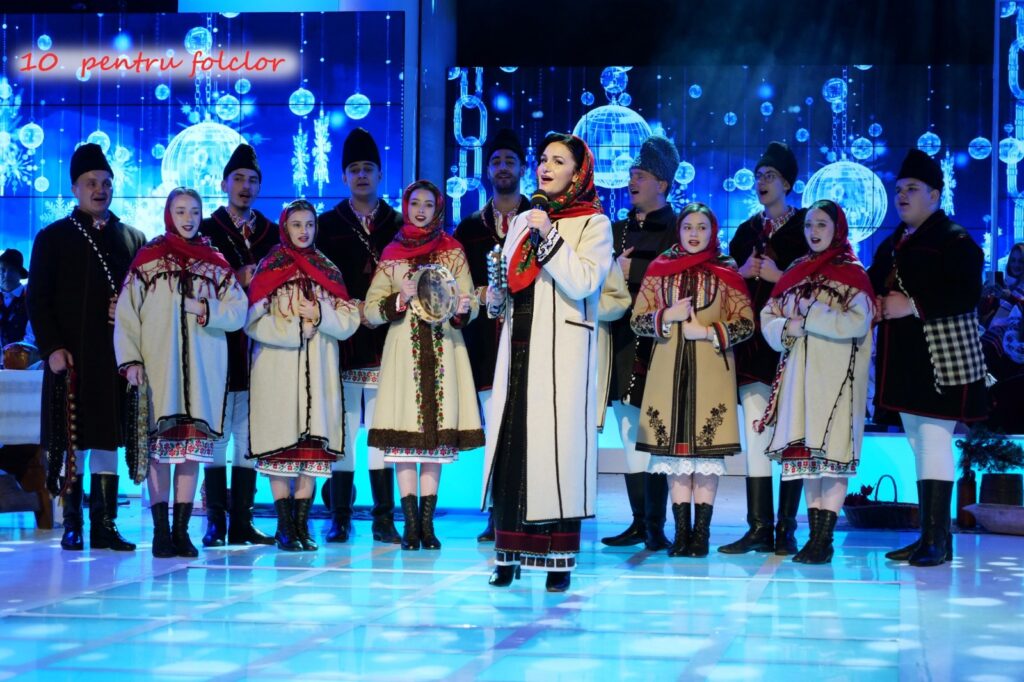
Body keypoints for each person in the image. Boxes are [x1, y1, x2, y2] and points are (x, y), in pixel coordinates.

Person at [482, 133, 612, 593]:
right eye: (542, 159)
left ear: (578, 173)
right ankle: (507, 555)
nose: (545, 167)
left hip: (562, 354)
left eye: (558, 161)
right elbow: (512, 284)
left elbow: (583, 281)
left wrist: (549, 235)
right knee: (514, 448)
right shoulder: (523, 219)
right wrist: (495, 295)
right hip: (520, 345)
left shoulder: (594, 222)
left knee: (555, 455)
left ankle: (558, 560)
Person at [868, 149, 988, 568]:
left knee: (934, 440)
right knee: (918, 443)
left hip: (941, 360)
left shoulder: (954, 239)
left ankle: (936, 539)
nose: (902, 196)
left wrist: (912, 305)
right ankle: (930, 538)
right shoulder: (895, 242)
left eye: (913, 189)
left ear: (935, 195)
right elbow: (873, 281)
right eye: (899, 189)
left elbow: (966, 293)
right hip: (905, 362)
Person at [114, 188, 248, 558]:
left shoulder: (215, 263)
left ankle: (181, 531)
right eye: (180, 211)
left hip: (204, 374)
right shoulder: (149, 260)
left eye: (194, 211)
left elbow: (239, 312)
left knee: (192, 453)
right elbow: (127, 314)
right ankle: (161, 532)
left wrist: (204, 308)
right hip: (159, 370)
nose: (188, 218)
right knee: (159, 452)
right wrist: (131, 361)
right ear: (168, 214)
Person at [27, 142, 146, 552]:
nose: (100, 189)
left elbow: (145, 299)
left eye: (106, 182)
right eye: (91, 182)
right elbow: (37, 299)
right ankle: (72, 523)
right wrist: (52, 348)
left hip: (114, 359)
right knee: (72, 441)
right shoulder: (52, 237)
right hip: (71, 359)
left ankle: (106, 525)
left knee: (108, 440)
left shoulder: (133, 238)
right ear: (75, 188)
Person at [365, 180, 484, 550]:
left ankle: (427, 526)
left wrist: (464, 307)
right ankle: (410, 525)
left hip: (444, 347)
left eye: (428, 204)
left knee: (434, 446)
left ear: (438, 209)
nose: (420, 210)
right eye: (414, 203)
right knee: (404, 439)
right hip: (404, 351)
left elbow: (468, 300)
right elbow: (370, 310)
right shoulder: (392, 253)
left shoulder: (453, 251)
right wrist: (398, 300)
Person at [630, 202, 753, 558]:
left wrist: (709, 332)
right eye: (688, 227)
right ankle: (681, 534)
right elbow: (637, 320)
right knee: (676, 457)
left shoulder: (726, 270)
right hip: (667, 374)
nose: (694, 234)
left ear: (713, 231)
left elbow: (746, 322)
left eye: (702, 227)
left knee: (705, 456)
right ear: (679, 231)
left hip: (712, 373)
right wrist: (666, 315)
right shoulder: (660, 269)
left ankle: (701, 536)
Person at [756, 200, 874, 564]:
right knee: (808, 458)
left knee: (833, 455)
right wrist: (786, 328)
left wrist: (812, 316)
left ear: (837, 228)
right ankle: (815, 537)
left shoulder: (853, 273)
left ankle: (824, 538)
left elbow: (858, 321)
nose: (814, 231)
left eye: (822, 224)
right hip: (800, 378)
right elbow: (769, 314)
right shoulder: (797, 270)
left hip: (838, 379)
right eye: (809, 225)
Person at [246, 200, 362, 551]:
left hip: (319, 373)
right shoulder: (270, 267)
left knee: (311, 454)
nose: (303, 231)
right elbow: (251, 321)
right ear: (285, 227)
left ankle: (301, 525)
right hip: (277, 372)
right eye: (296, 224)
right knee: (281, 450)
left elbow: (349, 322)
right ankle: (284, 527)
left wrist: (319, 313)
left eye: (309, 224)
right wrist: (295, 330)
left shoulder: (327, 269)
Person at [720, 141, 809, 556]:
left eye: (770, 176)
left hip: (792, 346)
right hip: (752, 348)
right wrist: (742, 271)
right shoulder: (745, 232)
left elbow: (820, 282)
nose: (761, 182)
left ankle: (786, 529)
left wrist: (779, 275)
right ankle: (758, 526)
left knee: (790, 433)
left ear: (787, 183)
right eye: (758, 176)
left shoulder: (807, 228)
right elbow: (725, 285)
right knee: (756, 434)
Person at [317, 128, 404, 544]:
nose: (362, 175)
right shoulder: (326, 225)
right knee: (344, 428)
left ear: (381, 174)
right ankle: (340, 515)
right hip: (345, 343)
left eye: (369, 168)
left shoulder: (399, 224)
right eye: (354, 169)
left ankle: (384, 518)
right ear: (344, 177)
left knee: (382, 431)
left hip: (390, 341)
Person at [197, 143, 280, 547]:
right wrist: (236, 277)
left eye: (252, 180)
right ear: (224, 183)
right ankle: (216, 520)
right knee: (216, 432)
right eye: (239, 179)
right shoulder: (206, 230)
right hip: (218, 344)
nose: (245, 187)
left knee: (249, 435)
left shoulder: (273, 233)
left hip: (261, 348)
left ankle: (243, 520)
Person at [452, 128, 531, 543]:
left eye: (509, 161)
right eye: (496, 161)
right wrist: (482, 295)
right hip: (486, 346)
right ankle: (498, 514)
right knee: (495, 429)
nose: (503, 168)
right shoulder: (469, 229)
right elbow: (458, 287)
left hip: (532, 342)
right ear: (487, 170)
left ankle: (531, 511)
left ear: (522, 168)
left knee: (530, 429)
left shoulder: (539, 221)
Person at [601, 135, 679, 550]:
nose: (632, 181)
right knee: (628, 430)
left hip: (661, 344)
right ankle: (640, 522)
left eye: (642, 175)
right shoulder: (615, 231)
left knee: (656, 433)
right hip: (620, 341)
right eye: (632, 174)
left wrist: (634, 273)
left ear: (662, 184)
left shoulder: (679, 229)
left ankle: (657, 524)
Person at [0, 248, 36, 352]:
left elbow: (30, 338)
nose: (6, 275)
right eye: (2, 270)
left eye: (11, 270)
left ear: (20, 273)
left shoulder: (30, 299)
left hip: (24, 358)